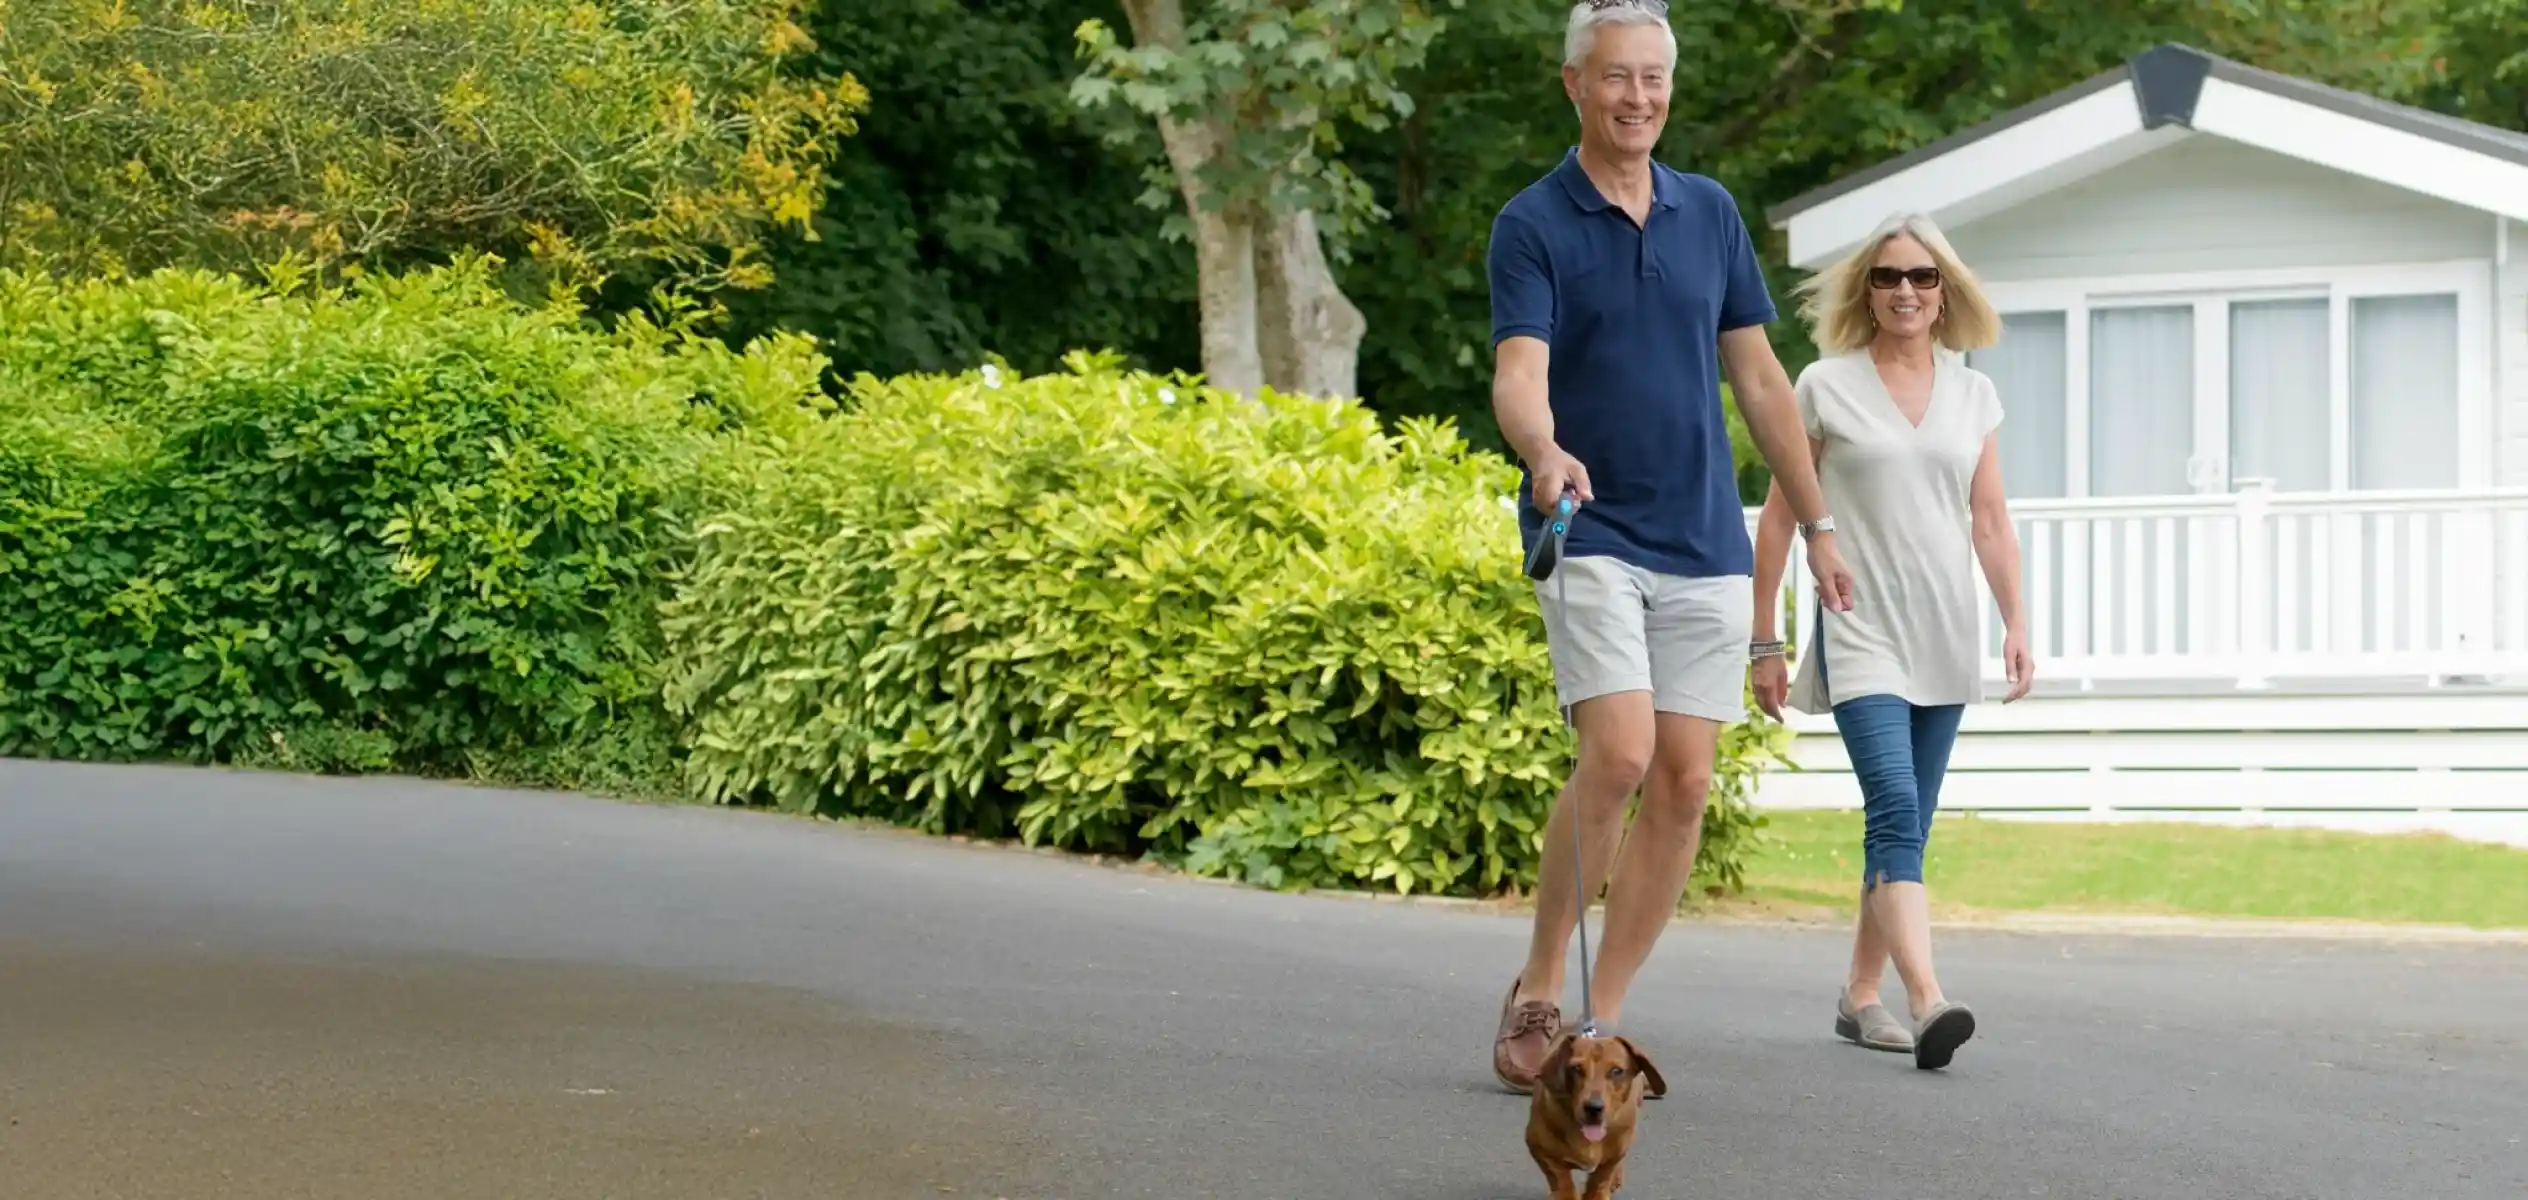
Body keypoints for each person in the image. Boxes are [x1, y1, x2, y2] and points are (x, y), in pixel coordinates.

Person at [1485, 0, 1854, 1095]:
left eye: (1652, 78)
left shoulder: (1709, 213)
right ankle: (1541, 981)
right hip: (1588, 522)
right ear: (1573, 85)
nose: (1636, 98)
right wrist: (1543, 450)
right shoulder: (1533, 221)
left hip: (1703, 537)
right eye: (1614, 78)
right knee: (1621, 754)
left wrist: (1816, 522)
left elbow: (1757, 379)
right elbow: (1517, 371)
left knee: (1686, 783)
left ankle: (1601, 1021)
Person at [1749, 210, 2034, 1072]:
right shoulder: (1823, 386)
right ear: (1865, 293)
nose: (1904, 291)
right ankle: (1927, 999)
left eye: (1921, 276)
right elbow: (1777, 515)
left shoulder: (1972, 393)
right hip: (1859, 624)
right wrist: (1765, 636)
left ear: (1945, 292)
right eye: (1886, 277)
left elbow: (1988, 519)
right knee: (1896, 810)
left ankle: (1859, 995)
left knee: (1905, 826)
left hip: (1946, 627)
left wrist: (2017, 620)